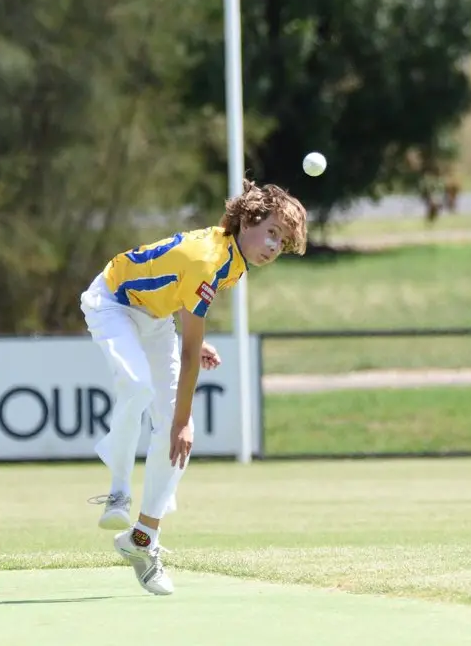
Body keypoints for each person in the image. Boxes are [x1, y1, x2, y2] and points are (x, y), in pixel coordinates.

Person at [80, 181, 308, 595]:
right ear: (248, 222)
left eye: (282, 242)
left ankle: (142, 539)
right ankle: (118, 493)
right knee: (139, 388)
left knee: (180, 439)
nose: (275, 247)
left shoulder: (234, 258)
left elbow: (179, 301)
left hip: (154, 317)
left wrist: (194, 343)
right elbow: (188, 357)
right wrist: (181, 419)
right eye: (272, 233)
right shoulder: (210, 260)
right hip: (112, 300)